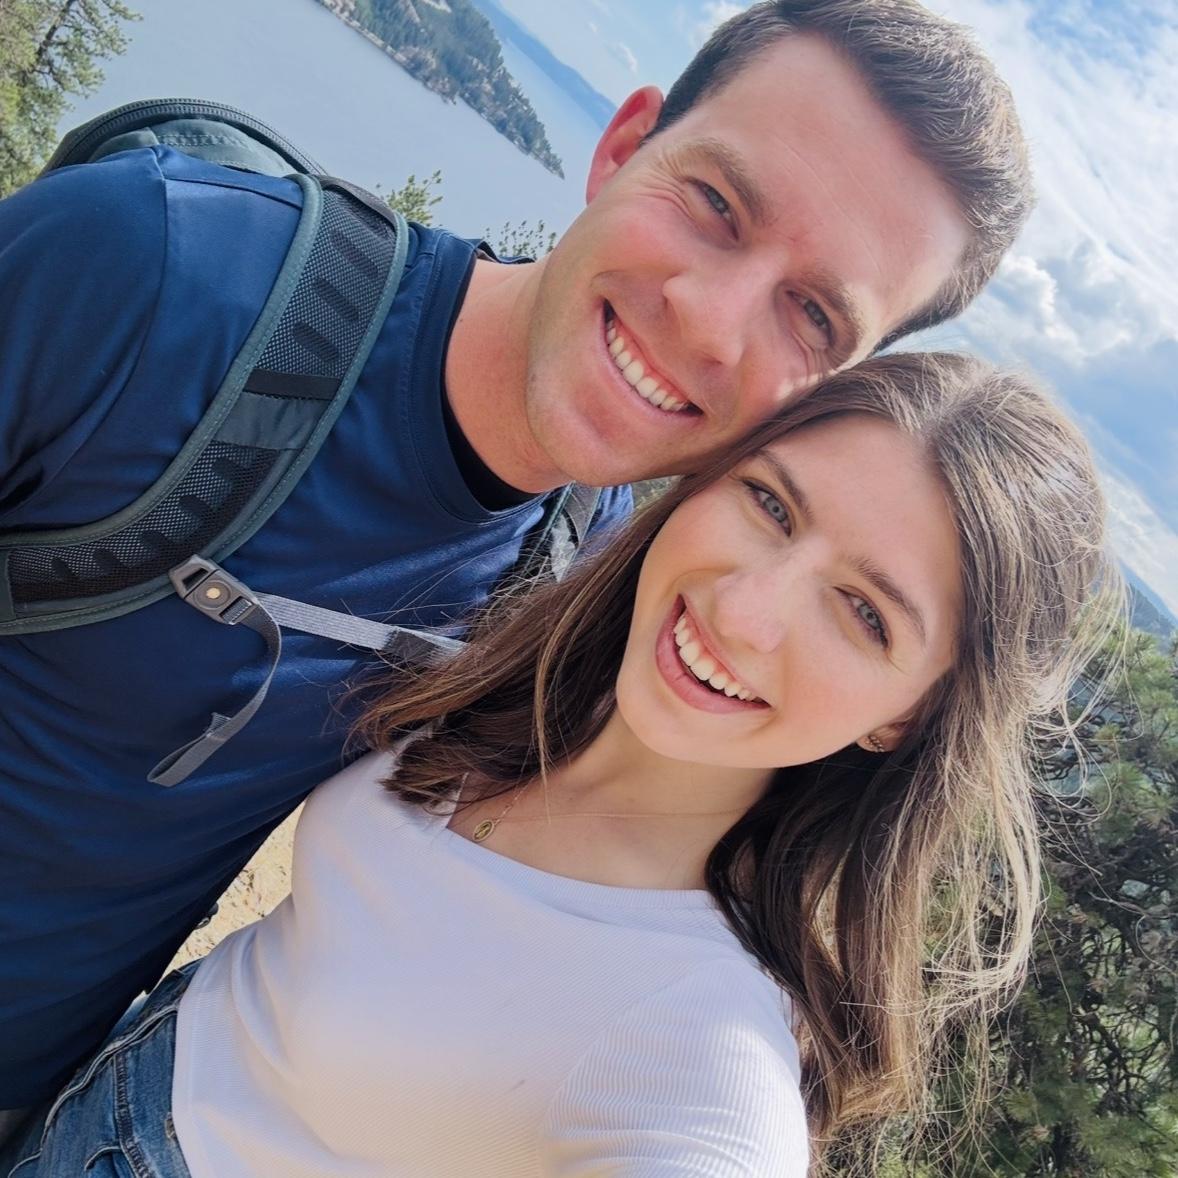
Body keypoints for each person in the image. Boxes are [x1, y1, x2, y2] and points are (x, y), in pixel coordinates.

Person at [0, 0, 1034, 1128]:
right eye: (715, 203)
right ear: (622, 147)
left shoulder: (585, 596)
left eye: (814, 315)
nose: (709, 321)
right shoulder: (155, 271)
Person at [0, 353, 1120, 1177]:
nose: (743, 609)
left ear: (907, 718)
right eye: (770, 503)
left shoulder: (697, 1045)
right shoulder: (525, 683)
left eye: (863, 612)